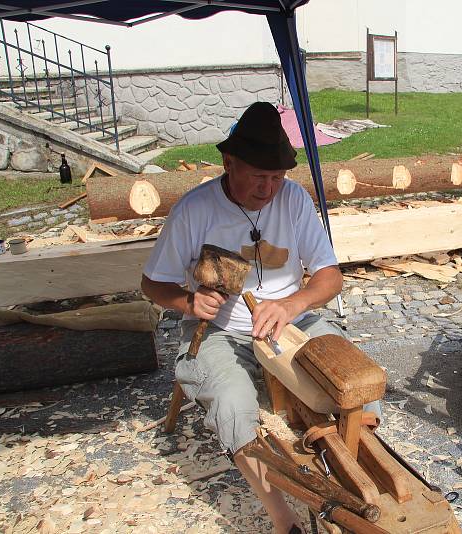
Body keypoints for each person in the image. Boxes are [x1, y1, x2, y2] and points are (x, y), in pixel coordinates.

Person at [141, 102, 377, 534]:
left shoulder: (294, 199)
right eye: (258, 176)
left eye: (277, 177)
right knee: (233, 408)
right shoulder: (195, 210)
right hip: (221, 330)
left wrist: (292, 304)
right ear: (229, 163)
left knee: (356, 383)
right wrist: (188, 305)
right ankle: (283, 520)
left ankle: (354, 478)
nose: (269, 189)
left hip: (291, 323)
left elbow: (329, 276)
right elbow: (153, 285)